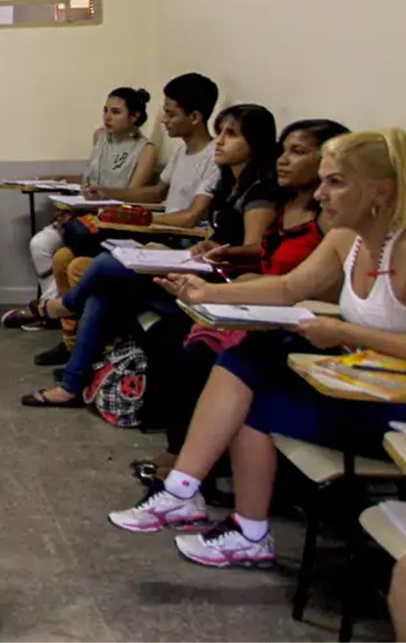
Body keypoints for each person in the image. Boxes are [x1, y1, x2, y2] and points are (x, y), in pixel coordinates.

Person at [107, 129, 406, 569]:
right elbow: (287, 288)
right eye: (322, 181)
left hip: (392, 411)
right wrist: (204, 293)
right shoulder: (348, 238)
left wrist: (347, 334)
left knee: (256, 401)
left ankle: (232, 522)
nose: (320, 194)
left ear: (380, 191)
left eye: (336, 182)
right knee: (250, 356)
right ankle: (189, 494)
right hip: (356, 386)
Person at [21, 103, 279, 407]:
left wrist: (205, 252)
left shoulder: (260, 192)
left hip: (215, 285)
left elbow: (254, 250)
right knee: (102, 287)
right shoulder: (229, 184)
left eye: (231, 134)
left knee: (105, 265)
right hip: (192, 264)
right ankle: (72, 384)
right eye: (220, 131)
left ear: (256, 143)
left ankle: (64, 309)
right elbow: (211, 231)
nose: (220, 140)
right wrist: (179, 251)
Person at [151, 118, 349, 472]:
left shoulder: (335, 224)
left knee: (208, 357)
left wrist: (221, 287)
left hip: (296, 320)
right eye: (283, 150)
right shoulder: (281, 202)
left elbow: (298, 284)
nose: (284, 160)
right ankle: (186, 464)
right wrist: (227, 256)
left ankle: (194, 469)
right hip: (263, 302)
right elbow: (274, 264)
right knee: (170, 337)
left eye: (298, 152)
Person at [28, 73, 223, 366]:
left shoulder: (212, 157)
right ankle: (71, 343)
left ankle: (76, 335)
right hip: (157, 234)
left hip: (175, 244)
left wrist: (141, 221)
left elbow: (192, 217)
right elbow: (157, 192)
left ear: (194, 117)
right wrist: (109, 194)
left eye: (170, 114)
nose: (164, 121)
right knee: (61, 256)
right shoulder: (182, 151)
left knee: (81, 265)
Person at [2, 86, 157, 331]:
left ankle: (48, 310)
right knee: (40, 244)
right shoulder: (99, 137)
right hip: (81, 212)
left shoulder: (146, 150)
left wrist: (97, 199)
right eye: (105, 110)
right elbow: (89, 181)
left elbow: (131, 197)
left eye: (115, 112)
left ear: (134, 116)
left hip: (111, 220)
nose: (107, 117)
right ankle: (53, 308)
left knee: (69, 250)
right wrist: (57, 179)